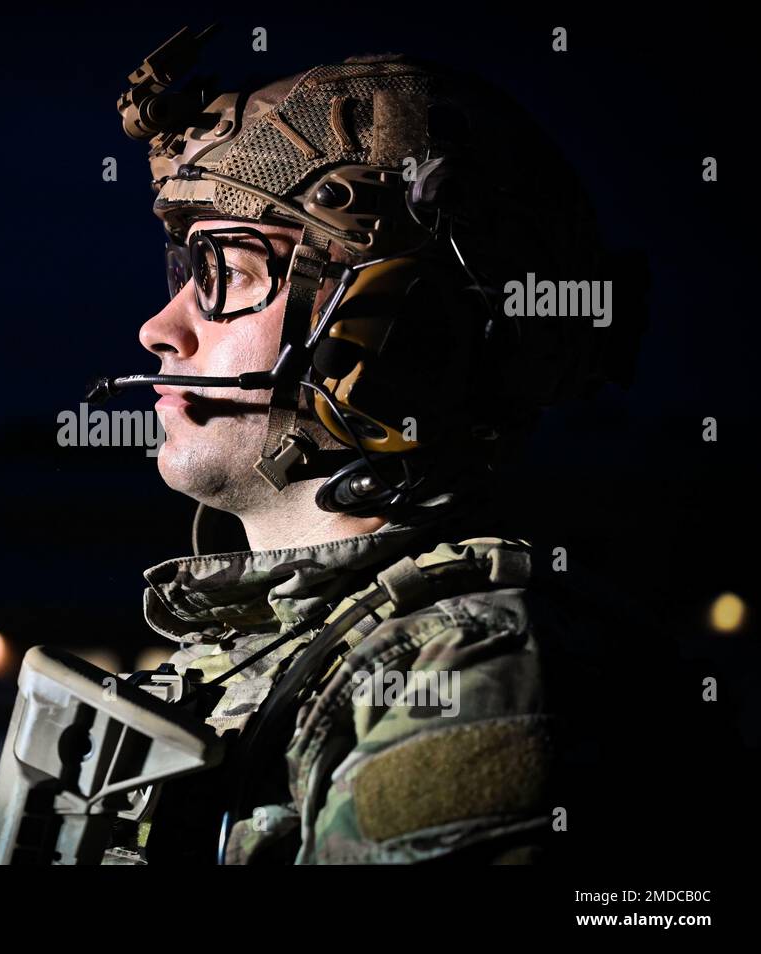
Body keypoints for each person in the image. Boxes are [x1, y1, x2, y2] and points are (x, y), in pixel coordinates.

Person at [84, 34, 647, 864]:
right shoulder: (275, 655)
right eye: (181, 271)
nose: (159, 330)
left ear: (393, 335)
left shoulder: (468, 674)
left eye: (226, 273)